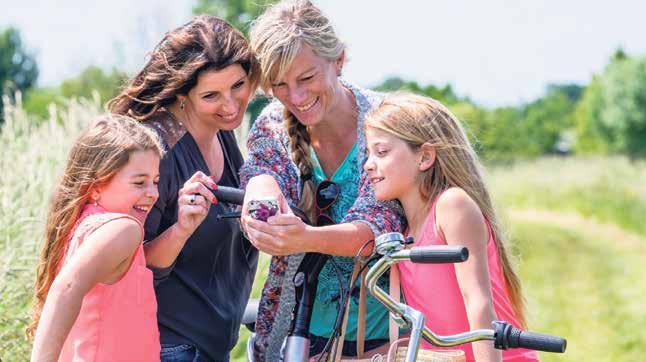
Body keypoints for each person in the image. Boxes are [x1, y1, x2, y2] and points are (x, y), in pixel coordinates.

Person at [239, 0, 403, 360]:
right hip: (299, 338)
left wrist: (305, 238)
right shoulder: (270, 124)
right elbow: (260, 174)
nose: (295, 97)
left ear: (339, 60)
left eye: (307, 78)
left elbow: (378, 225)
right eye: (279, 84)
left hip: (385, 340)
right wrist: (259, 189)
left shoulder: (388, 122)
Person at [107, 15, 261, 361]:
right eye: (211, 95)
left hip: (211, 344)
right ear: (181, 94)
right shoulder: (156, 151)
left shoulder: (221, 132)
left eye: (238, 85)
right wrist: (180, 229)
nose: (231, 105)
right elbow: (122, 263)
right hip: (167, 347)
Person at [363, 92, 539, 362]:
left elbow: (478, 303)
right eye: (368, 153)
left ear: (424, 157)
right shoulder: (407, 233)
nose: (368, 164)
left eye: (382, 152)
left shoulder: (451, 206)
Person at [28, 115, 163, 362]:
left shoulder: (81, 225)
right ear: (96, 186)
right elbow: (66, 288)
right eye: (139, 182)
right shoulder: (123, 228)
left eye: (155, 181)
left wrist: (183, 228)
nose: (153, 193)